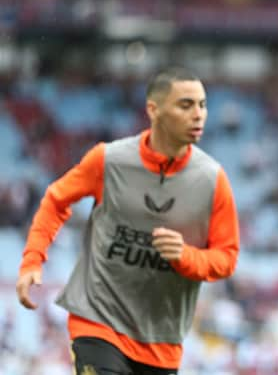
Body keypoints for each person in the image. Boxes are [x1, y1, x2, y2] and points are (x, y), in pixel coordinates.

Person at [16, 67, 240, 374]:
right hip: (98, 322)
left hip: (161, 341)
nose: (198, 114)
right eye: (185, 105)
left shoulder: (212, 180)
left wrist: (185, 257)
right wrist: (32, 260)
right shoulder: (109, 160)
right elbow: (56, 200)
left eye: (202, 105)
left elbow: (227, 259)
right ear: (154, 109)